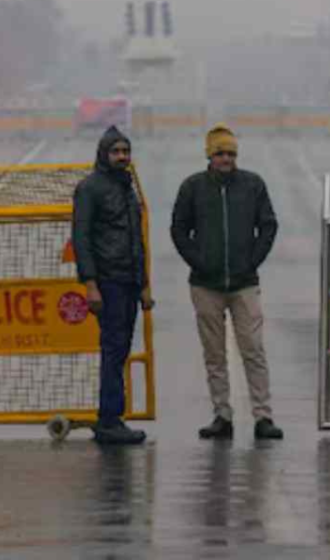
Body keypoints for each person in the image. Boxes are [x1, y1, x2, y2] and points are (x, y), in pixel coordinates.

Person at [171, 123, 283, 440]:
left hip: (244, 284)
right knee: (214, 354)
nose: (226, 159)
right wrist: (198, 260)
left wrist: (252, 260)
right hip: (205, 285)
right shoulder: (192, 187)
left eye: (231, 153)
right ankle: (222, 415)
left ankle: (263, 416)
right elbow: (179, 228)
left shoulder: (253, 185)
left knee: (254, 350)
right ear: (209, 155)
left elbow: (269, 225)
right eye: (220, 153)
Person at [72, 125, 153, 445]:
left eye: (126, 151)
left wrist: (143, 285)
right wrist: (90, 284)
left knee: (119, 350)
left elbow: (137, 242)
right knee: (113, 349)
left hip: (129, 281)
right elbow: (81, 238)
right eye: (116, 151)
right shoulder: (90, 188)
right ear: (104, 155)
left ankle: (111, 418)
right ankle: (109, 420)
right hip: (108, 282)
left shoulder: (127, 187)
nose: (122, 157)